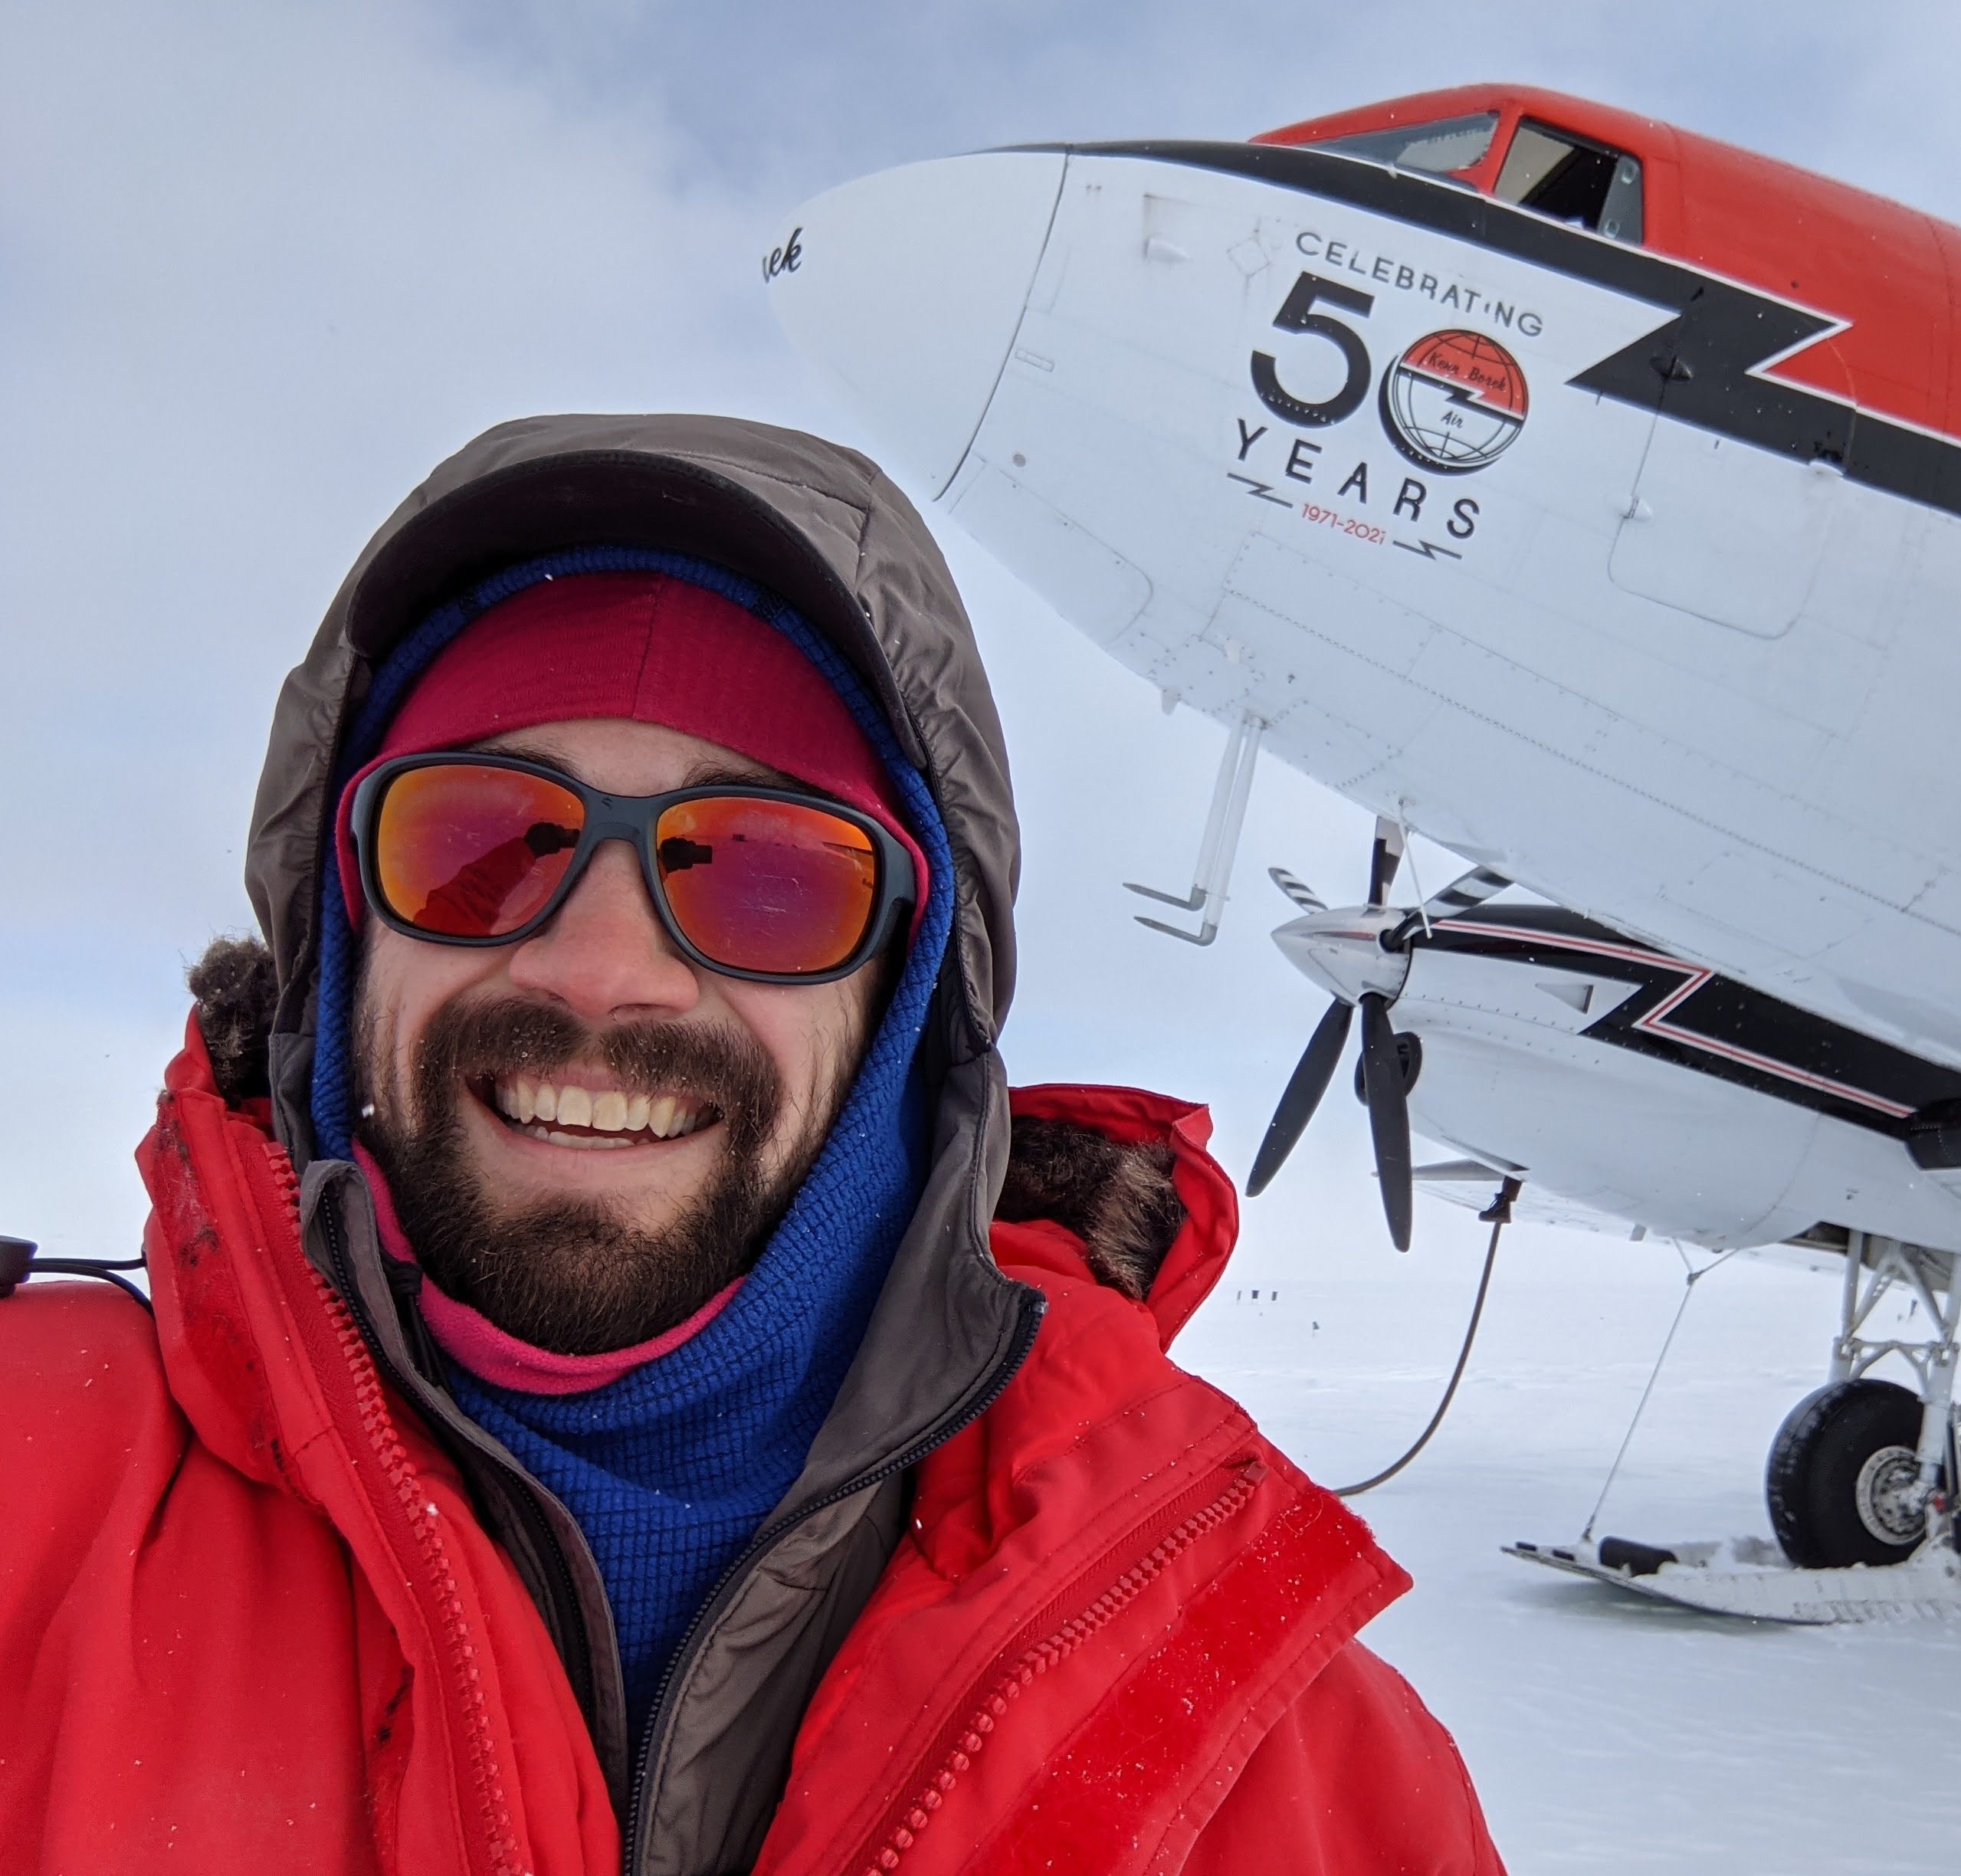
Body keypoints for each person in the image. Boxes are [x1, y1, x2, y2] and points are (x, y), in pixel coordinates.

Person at [0, 415, 1503, 1874]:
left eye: (766, 878)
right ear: (344, 935)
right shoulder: (31, 1498)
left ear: (905, 996)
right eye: (474, 842)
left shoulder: (1280, 1765)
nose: (598, 971)